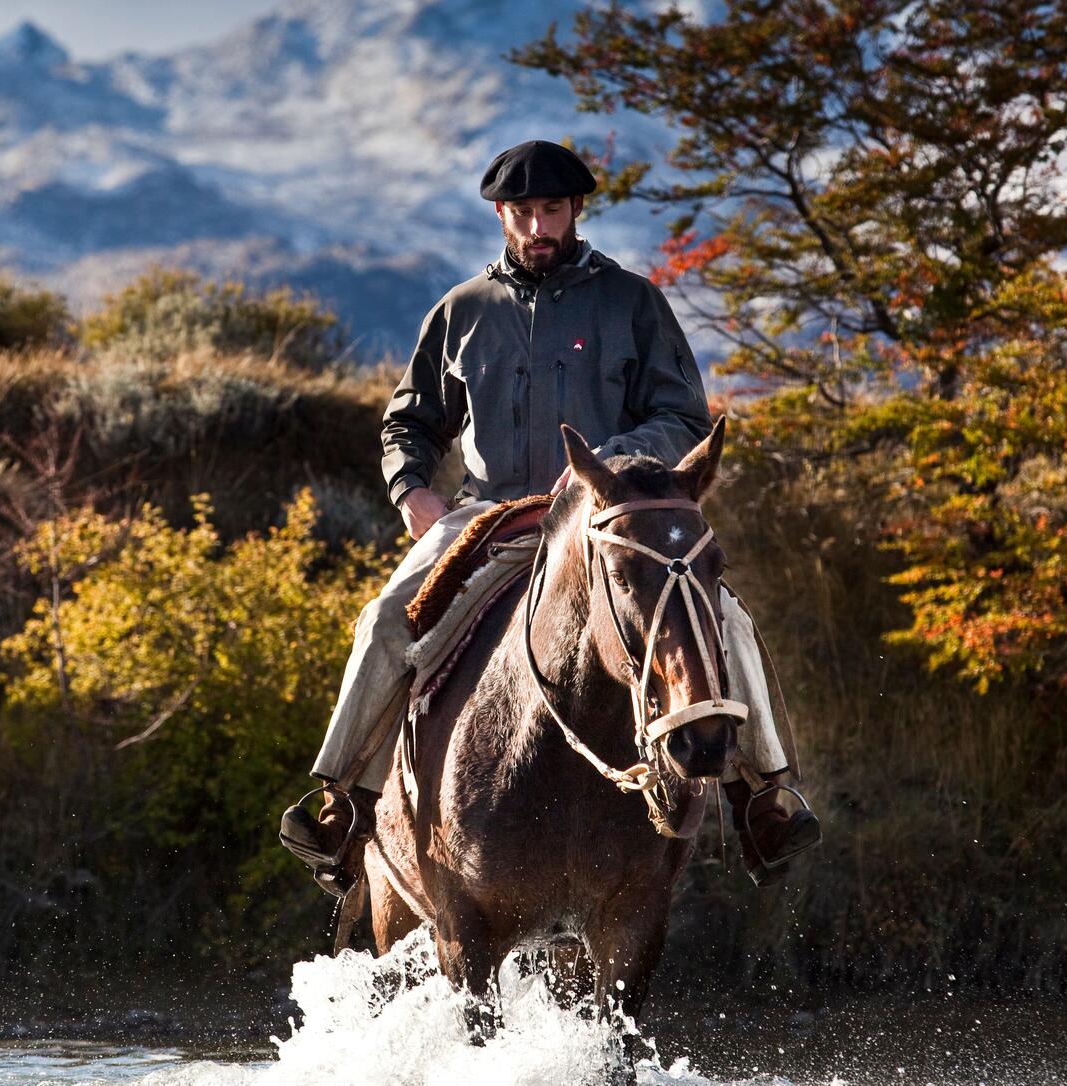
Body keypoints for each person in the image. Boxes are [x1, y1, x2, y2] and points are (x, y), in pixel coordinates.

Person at [279, 140, 821, 895]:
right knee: (384, 622)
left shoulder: (632, 302)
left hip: (609, 524)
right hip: (485, 521)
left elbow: (681, 417)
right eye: (525, 212)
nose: (540, 226)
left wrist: (608, 460)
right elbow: (408, 423)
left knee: (725, 619)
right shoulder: (461, 311)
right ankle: (345, 806)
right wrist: (413, 494)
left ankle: (764, 800)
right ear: (502, 215)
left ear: (575, 212)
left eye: (553, 211)